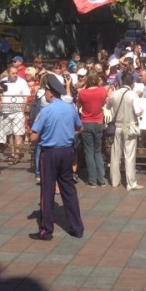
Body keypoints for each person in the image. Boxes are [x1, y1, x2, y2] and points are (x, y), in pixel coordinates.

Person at [28, 74, 84, 241]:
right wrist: (67, 133)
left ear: (51, 93)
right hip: (67, 151)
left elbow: (33, 137)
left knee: (47, 190)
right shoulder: (70, 108)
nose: (45, 93)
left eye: (46, 90)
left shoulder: (46, 111)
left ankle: (46, 230)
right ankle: (77, 227)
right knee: (68, 189)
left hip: (50, 152)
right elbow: (79, 128)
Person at [106, 72, 144, 191]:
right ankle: (130, 183)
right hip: (129, 126)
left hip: (117, 126)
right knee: (129, 155)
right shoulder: (133, 95)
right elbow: (137, 112)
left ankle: (114, 181)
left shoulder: (114, 94)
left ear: (122, 82)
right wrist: (143, 110)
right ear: (132, 83)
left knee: (115, 154)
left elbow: (107, 107)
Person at [77, 71, 108, 187]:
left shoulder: (83, 93)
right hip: (98, 122)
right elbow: (104, 103)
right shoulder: (102, 91)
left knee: (89, 151)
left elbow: (78, 106)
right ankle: (101, 179)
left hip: (86, 122)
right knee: (97, 151)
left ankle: (92, 180)